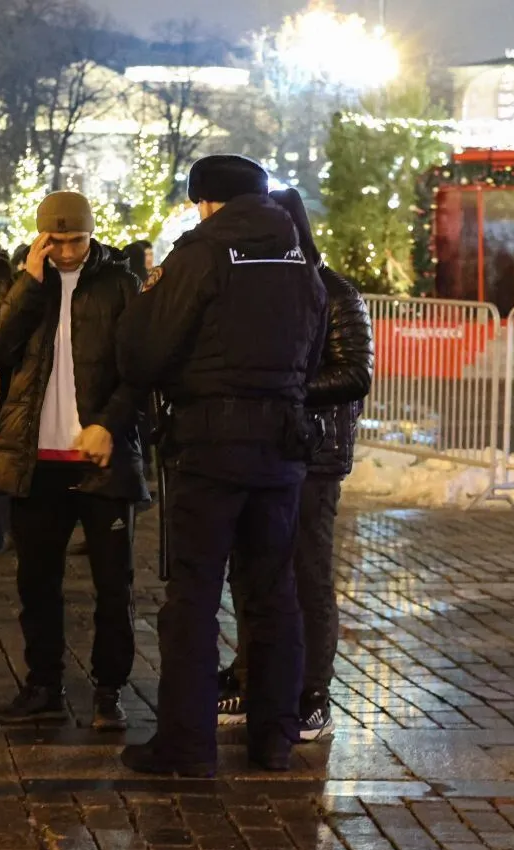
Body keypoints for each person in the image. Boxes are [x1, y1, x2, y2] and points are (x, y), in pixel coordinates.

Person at [115, 155, 327, 776]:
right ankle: (274, 737)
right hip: (281, 446)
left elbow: (144, 351)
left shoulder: (201, 254)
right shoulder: (300, 259)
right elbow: (314, 351)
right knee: (272, 595)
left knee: (194, 598)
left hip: (209, 445)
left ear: (206, 202)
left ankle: (186, 744)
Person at [0, 191, 146, 732]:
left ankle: (108, 689)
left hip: (101, 456)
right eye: (57, 242)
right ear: (41, 239)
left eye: (77, 240)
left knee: (113, 585)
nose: (68, 252)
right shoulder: (24, 281)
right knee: (37, 583)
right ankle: (43, 685)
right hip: (37, 458)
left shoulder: (119, 283)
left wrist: (110, 425)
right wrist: (29, 283)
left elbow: (141, 369)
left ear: (91, 235)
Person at [218, 188, 372, 741]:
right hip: (260, 448)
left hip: (315, 455)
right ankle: (251, 674)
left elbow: (354, 373)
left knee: (307, 572)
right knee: (252, 568)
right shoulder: (256, 288)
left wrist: (284, 386)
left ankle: (313, 692)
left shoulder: (335, 292)